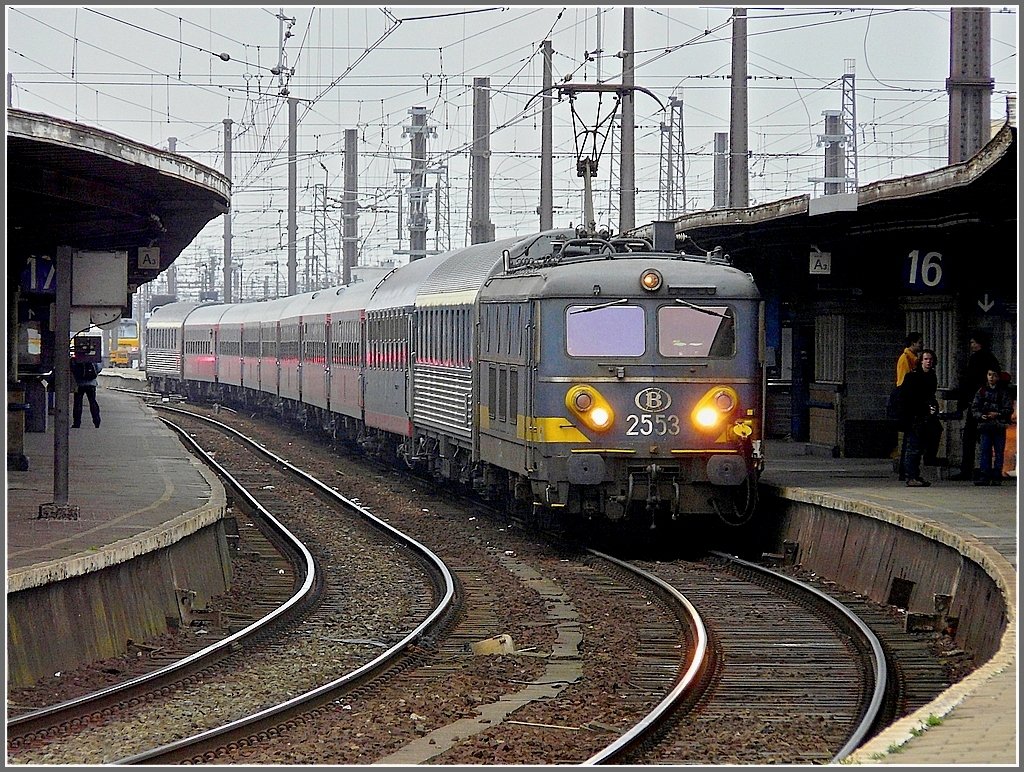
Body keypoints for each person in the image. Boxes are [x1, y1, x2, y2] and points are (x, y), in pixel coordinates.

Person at [950, 329, 1000, 480]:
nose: (971, 345)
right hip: (989, 403)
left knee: (970, 437)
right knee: (986, 438)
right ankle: (989, 470)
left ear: (979, 343)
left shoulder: (976, 359)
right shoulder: (992, 359)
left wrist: (964, 402)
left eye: (972, 342)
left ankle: (968, 469)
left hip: (977, 403)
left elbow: (969, 382)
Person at [899, 349, 940, 487]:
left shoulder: (932, 376)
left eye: (931, 359)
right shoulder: (913, 377)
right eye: (926, 359)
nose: (929, 362)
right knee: (913, 447)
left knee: (921, 447)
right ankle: (911, 476)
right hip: (914, 416)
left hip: (926, 416)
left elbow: (931, 395)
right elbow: (908, 398)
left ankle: (915, 474)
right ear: (921, 361)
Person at [970, 368, 1014, 486]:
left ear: (998, 378)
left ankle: (996, 475)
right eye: (989, 375)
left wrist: (998, 414)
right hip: (985, 426)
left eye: (994, 375)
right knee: (985, 451)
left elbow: (1008, 409)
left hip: (998, 425)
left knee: (999, 452)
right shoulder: (982, 391)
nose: (991, 378)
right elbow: (975, 407)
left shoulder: (1003, 393)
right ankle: (985, 475)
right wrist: (981, 416)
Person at [891, 332, 923, 479]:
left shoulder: (914, 359)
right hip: (905, 401)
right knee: (908, 438)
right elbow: (903, 383)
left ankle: (905, 469)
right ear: (912, 343)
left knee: (909, 438)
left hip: (908, 400)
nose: (921, 345)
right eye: (919, 342)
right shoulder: (905, 359)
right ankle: (905, 469)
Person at [71, 356, 102, 428]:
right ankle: (97, 421)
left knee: (78, 403)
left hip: (79, 384)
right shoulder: (93, 358)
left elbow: (72, 369)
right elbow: (99, 368)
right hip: (91, 384)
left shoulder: (77, 358)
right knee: (92, 402)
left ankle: (77, 423)